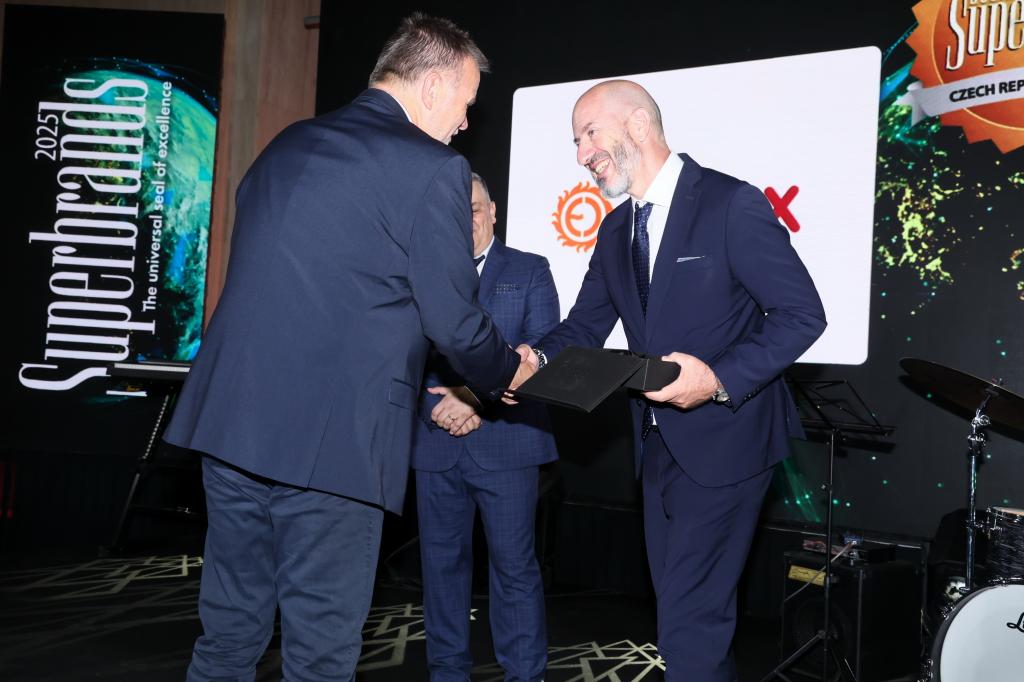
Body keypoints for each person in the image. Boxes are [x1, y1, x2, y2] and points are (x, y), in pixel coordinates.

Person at [163, 14, 535, 682]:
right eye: (465, 103)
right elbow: (455, 323)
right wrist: (510, 369)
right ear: (431, 87)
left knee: (227, 640)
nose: (464, 123)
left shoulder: (287, 144)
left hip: (231, 428)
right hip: (333, 446)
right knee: (320, 659)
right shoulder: (434, 170)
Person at [526, 80, 827, 682]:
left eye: (589, 134)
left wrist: (717, 379)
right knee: (688, 621)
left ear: (638, 126)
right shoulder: (616, 230)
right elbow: (584, 326)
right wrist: (530, 358)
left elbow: (802, 315)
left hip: (728, 442)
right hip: (655, 448)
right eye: (576, 141)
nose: (581, 154)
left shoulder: (729, 204)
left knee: (688, 624)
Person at [412, 172, 559, 682]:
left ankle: (524, 675)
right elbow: (401, 355)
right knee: (440, 572)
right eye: (456, 212)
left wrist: (473, 396)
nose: (466, 220)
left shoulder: (531, 270)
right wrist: (437, 404)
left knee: (514, 570)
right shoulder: (419, 273)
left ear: (493, 211)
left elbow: (543, 349)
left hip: (509, 445)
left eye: (474, 209)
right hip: (435, 441)